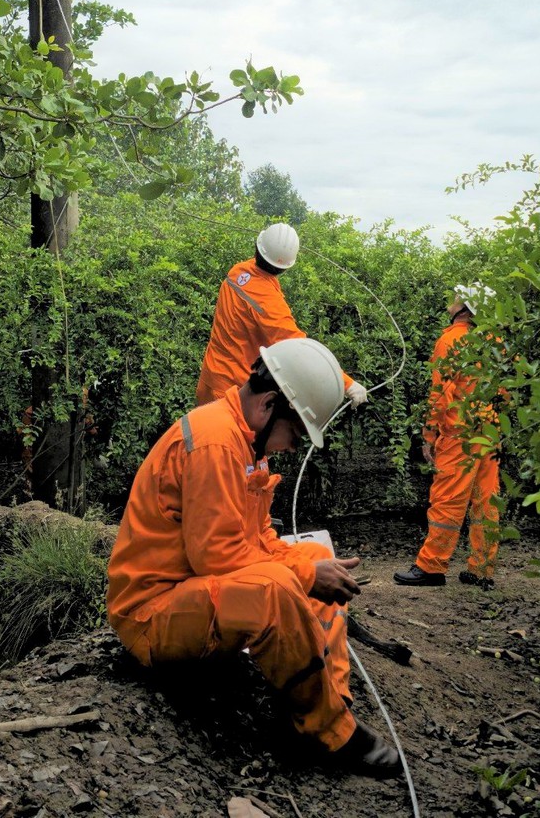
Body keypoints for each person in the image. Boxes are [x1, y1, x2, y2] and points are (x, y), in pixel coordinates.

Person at [107, 337, 403, 774]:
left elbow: (259, 538)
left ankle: (329, 703)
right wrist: (304, 575)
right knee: (281, 585)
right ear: (269, 405)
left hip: (193, 593)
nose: (292, 445)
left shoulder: (246, 442)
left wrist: (310, 565)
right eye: (297, 432)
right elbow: (217, 557)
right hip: (153, 614)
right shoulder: (215, 444)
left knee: (315, 553)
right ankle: (329, 735)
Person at [395, 284, 503, 589]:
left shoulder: (450, 340)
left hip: (460, 436)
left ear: (465, 308)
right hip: (489, 433)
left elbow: (440, 394)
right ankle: (481, 570)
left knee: (447, 501)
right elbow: (504, 391)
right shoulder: (495, 340)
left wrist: (429, 435)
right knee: (487, 503)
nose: (451, 300)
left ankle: (431, 566)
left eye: (457, 298)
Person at [196, 223, 366, 410]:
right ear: (284, 268)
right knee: (226, 439)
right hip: (233, 393)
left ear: (257, 247)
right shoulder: (268, 301)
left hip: (210, 379)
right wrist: (347, 384)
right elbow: (298, 350)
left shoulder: (239, 271)